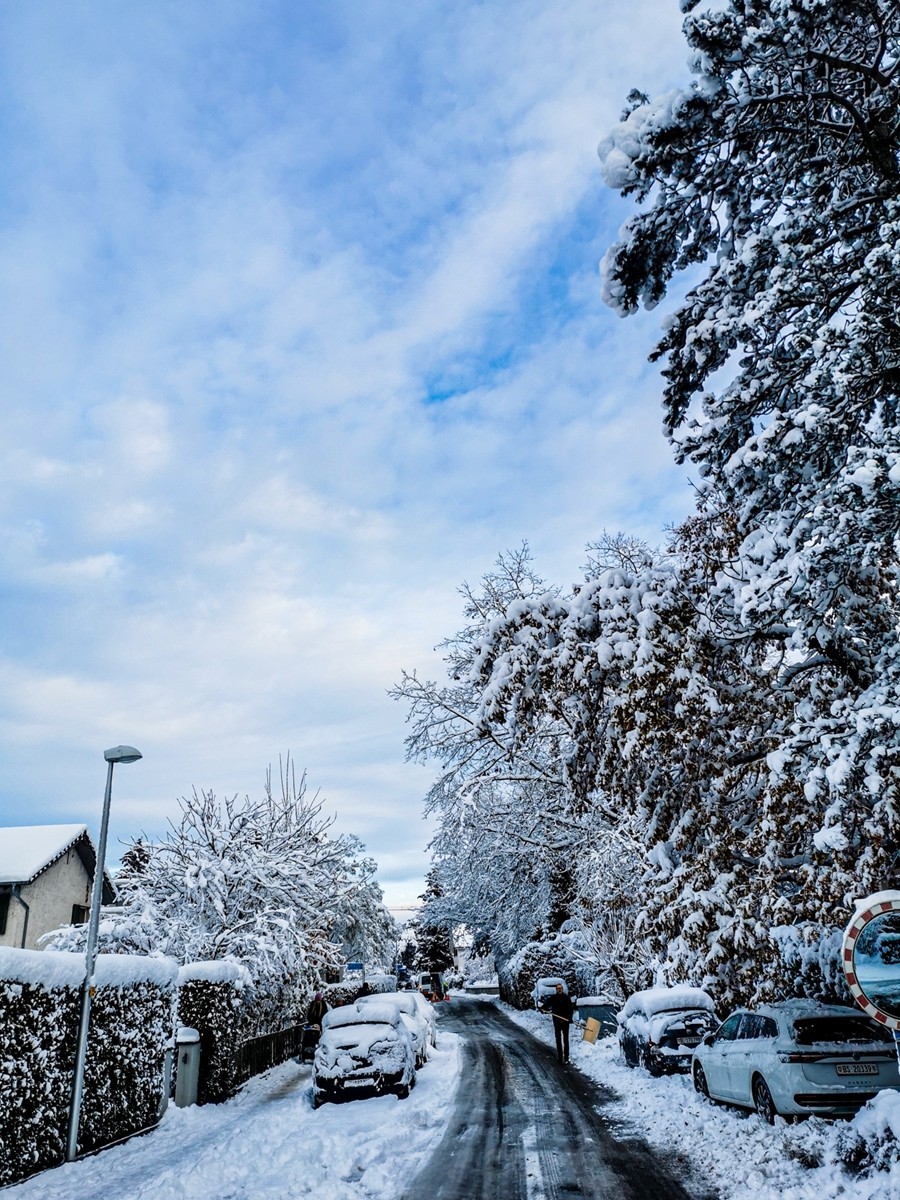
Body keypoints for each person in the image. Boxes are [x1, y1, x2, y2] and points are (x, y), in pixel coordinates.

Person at [543, 983, 575, 1064]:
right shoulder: (553, 998)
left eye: (560, 988)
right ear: (556, 990)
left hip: (565, 1021)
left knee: (565, 1039)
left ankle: (566, 1057)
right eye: (558, 988)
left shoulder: (566, 998)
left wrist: (570, 1018)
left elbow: (570, 1009)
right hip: (556, 1021)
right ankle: (560, 1057)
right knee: (558, 1039)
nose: (559, 989)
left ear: (562, 989)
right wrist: (543, 1008)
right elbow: (546, 1004)